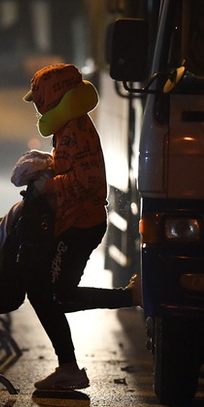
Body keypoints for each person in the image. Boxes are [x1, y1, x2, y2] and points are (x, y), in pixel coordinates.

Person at [21, 63, 141, 390]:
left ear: (55, 96)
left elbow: (88, 180)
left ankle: (130, 297)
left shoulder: (74, 129)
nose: (36, 105)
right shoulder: (69, 125)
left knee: (56, 295)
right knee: (45, 292)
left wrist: (49, 186)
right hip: (74, 222)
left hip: (81, 225)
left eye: (39, 99)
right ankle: (68, 366)